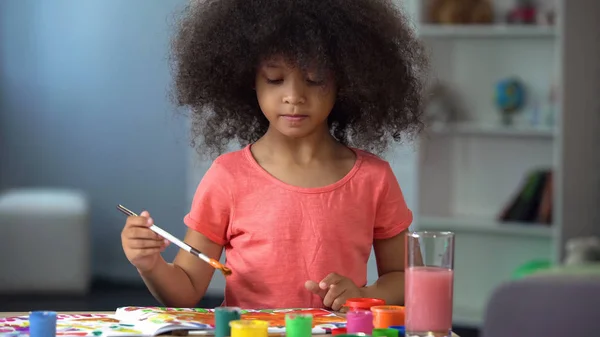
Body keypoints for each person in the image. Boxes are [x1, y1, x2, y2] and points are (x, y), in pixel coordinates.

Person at [121, 0, 427, 310]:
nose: (294, 96)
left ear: (345, 82)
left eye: (314, 79)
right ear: (249, 81)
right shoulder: (228, 177)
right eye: (275, 79)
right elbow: (185, 291)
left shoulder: (373, 179)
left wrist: (363, 295)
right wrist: (149, 264)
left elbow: (408, 277)